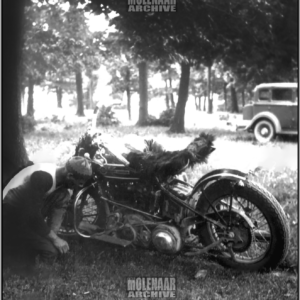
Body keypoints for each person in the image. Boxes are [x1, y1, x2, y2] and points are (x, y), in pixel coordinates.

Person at [3, 156, 92, 272]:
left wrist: (54, 237)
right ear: (70, 176)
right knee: (49, 251)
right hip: (10, 216)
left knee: (63, 195)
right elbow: (32, 215)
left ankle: (40, 243)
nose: (78, 187)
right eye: (79, 184)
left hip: (25, 214)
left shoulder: (60, 179)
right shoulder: (43, 178)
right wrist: (55, 239)